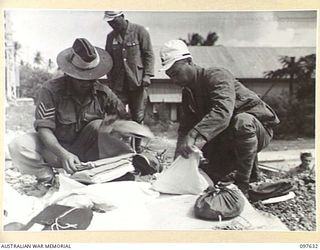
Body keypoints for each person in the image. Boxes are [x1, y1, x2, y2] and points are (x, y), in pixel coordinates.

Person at [159, 40, 280, 197]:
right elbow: (184, 129)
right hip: (226, 138)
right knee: (207, 177)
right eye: (170, 76)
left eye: (176, 73)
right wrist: (177, 164)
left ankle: (245, 184)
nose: (174, 81)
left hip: (257, 130)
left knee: (242, 122)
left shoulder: (216, 75)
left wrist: (194, 135)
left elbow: (222, 112)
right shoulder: (188, 93)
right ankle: (245, 174)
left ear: (189, 61)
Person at [8, 38, 134, 184]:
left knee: (100, 125)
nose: (87, 83)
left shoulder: (103, 93)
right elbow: (44, 129)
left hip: (90, 152)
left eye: (91, 78)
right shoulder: (51, 90)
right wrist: (63, 154)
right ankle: (47, 178)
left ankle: (99, 172)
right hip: (56, 149)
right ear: (69, 74)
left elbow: (125, 121)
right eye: (81, 79)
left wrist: (129, 137)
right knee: (18, 145)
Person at [103, 11, 155, 153]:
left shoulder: (140, 31)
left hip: (137, 82)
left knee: (138, 116)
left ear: (122, 17)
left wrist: (148, 75)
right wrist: (110, 81)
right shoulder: (110, 37)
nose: (112, 24)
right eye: (109, 22)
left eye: (114, 21)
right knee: (119, 115)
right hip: (119, 84)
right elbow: (108, 60)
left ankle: (137, 148)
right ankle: (124, 149)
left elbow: (148, 54)